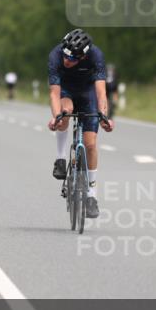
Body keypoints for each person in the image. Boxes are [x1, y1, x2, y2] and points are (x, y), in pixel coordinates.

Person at [47, 29, 114, 218]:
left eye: (73, 59)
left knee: (91, 144)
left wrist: (104, 116)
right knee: (64, 113)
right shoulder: (55, 55)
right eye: (66, 55)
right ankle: (60, 159)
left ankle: (92, 196)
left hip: (88, 94)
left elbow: (101, 92)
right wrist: (56, 116)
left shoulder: (96, 56)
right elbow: (54, 93)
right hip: (66, 91)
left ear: (84, 56)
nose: (67, 61)